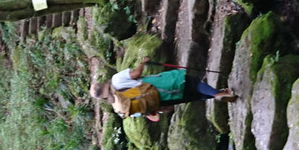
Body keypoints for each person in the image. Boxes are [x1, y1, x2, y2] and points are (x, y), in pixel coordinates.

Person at [90, 56, 235, 121]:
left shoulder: (117, 106)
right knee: (193, 83)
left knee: (193, 95)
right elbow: (136, 74)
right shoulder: (115, 79)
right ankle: (217, 94)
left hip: (160, 101)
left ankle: (221, 93)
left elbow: (141, 112)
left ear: (102, 97)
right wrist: (143, 62)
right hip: (158, 86)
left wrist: (160, 109)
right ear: (103, 84)